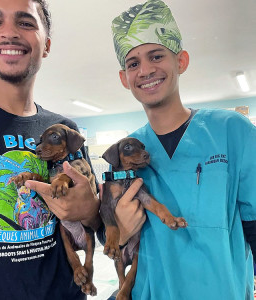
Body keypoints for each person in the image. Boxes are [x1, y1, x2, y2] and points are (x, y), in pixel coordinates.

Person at [0, 0, 104, 299]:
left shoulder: (64, 128)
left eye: (25, 22)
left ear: (46, 44)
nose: (8, 32)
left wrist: (90, 210)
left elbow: (95, 225)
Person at [109, 0, 256, 299]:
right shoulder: (128, 153)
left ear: (181, 61)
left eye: (156, 55)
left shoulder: (231, 131)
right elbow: (116, 234)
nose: (146, 70)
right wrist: (120, 234)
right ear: (125, 79)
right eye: (133, 63)